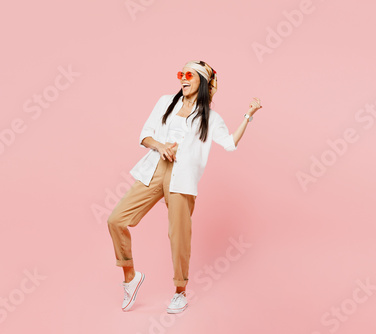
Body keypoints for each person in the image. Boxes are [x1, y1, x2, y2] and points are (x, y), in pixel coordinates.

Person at [107, 60, 262, 313]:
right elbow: (144, 135)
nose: (183, 79)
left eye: (189, 75)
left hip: (182, 178)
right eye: (181, 74)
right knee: (116, 219)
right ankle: (130, 277)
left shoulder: (210, 117)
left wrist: (249, 115)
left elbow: (230, 143)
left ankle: (180, 292)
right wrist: (161, 146)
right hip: (156, 169)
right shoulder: (166, 102)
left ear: (202, 80)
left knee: (178, 235)